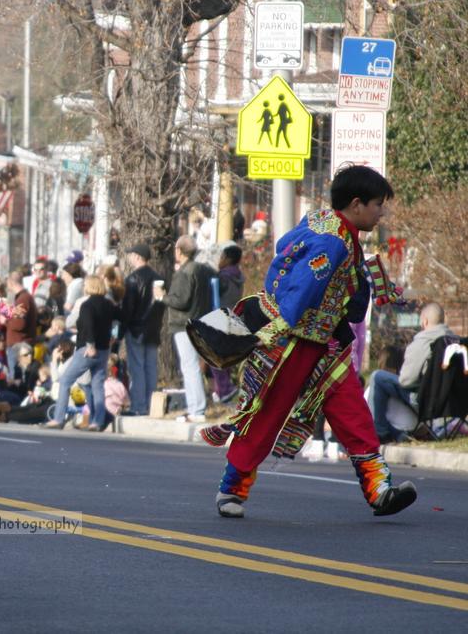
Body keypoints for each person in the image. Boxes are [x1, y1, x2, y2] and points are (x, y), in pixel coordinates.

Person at [200, 166, 416, 518]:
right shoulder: (331, 242)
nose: (382, 213)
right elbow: (300, 290)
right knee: (266, 413)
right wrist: (277, 329)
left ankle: (380, 490)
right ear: (358, 204)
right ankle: (232, 489)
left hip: (326, 345)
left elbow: (288, 252)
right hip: (292, 344)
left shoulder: (327, 224)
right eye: (379, 205)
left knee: (352, 412)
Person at [367, 302, 457, 444]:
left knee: (378, 377)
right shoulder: (457, 343)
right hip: (453, 404)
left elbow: (406, 380)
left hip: (425, 402)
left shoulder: (423, 342)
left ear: (425, 321)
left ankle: (380, 432)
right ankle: (396, 434)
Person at [44, 275, 121, 431]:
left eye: (85, 284)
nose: (83, 287)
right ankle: (97, 422)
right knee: (97, 385)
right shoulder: (108, 304)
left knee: (65, 380)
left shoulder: (87, 305)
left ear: (90, 286)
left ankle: (58, 418)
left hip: (87, 349)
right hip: (104, 350)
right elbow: (120, 317)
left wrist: (90, 345)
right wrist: (114, 335)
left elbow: (88, 325)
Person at [154, 235, 216, 423]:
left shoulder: (184, 273)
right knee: (193, 366)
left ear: (179, 251)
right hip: (200, 320)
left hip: (184, 324)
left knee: (189, 367)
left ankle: (196, 410)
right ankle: (197, 408)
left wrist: (162, 296)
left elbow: (181, 301)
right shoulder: (203, 270)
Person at [122, 243, 162, 416]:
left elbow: (128, 308)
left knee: (137, 367)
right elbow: (161, 305)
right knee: (150, 367)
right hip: (153, 329)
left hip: (136, 329)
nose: (129, 257)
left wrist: (123, 328)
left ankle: (138, 406)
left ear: (138, 256)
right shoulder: (159, 279)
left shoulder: (132, 279)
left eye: (131, 254)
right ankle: (151, 404)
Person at [211, 243, 245, 404]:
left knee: (215, 355)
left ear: (227, 258)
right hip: (233, 316)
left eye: (222, 256)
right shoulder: (239, 276)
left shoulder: (222, 277)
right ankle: (222, 389)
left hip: (219, 317)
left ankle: (224, 389)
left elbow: (215, 297)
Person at [4, 270, 36, 376]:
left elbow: (19, 324)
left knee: (17, 378)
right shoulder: (24, 297)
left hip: (19, 344)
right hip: (19, 342)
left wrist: (5, 320)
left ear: (11, 283)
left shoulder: (23, 299)